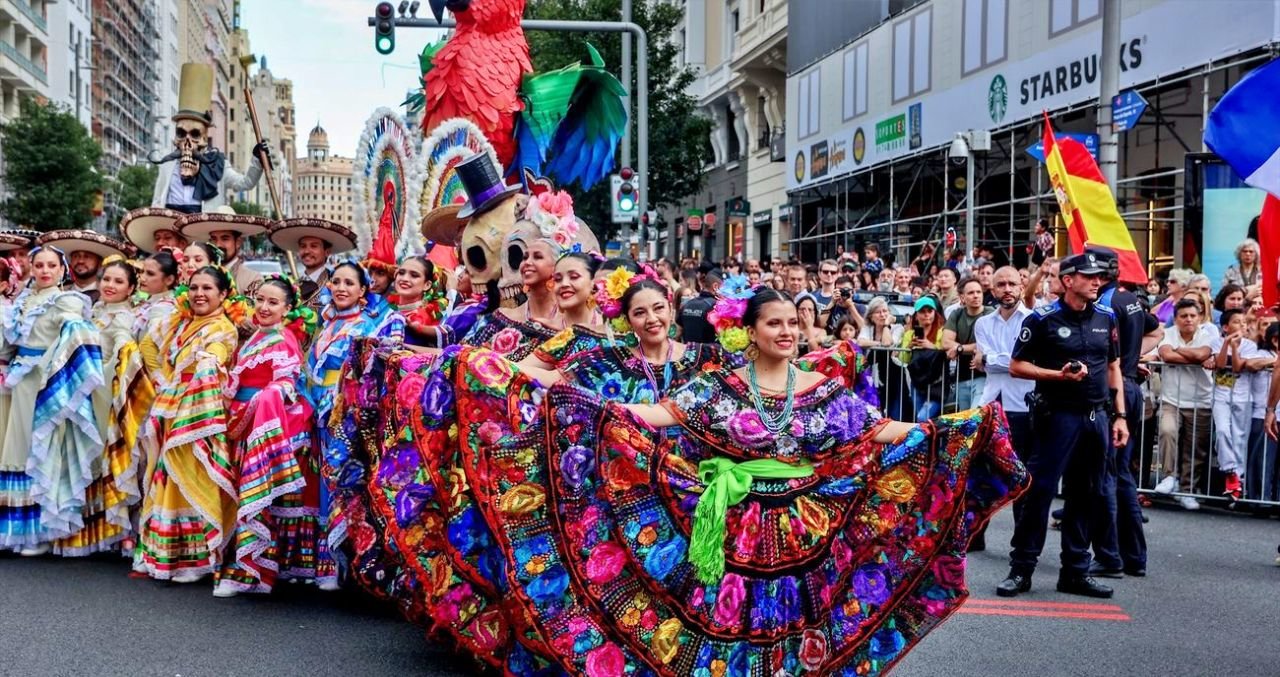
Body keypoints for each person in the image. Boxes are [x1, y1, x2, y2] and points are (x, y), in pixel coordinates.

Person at [1000, 251, 1127, 599]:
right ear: (1068, 281)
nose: (1097, 282)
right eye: (1089, 277)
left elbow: (1113, 366)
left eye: (1100, 277)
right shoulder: (1042, 319)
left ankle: (1075, 571)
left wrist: (1120, 417)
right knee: (1039, 492)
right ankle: (1021, 569)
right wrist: (1057, 375)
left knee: (1088, 494)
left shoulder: (1107, 316)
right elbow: (1017, 366)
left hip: (1097, 417)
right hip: (1057, 417)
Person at [134, 265, 240, 581]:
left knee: (194, 476)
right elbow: (147, 345)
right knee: (165, 477)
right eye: (194, 288)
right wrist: (162, 378)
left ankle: (198, 560)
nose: (199, 294)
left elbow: (217, 354)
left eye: (208, 288)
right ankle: (163, 553)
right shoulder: (180, 323)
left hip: (201, 412)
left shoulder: (222, 328)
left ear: (223, 295)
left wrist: (209, 363)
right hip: (173, 406)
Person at [302, 260, 404, 590]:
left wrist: (340, 403)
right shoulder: (325, 324)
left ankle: (340, 565)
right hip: (318, 413)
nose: (342, 288)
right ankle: (322, 564)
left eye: (350, 283)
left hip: (345, 416)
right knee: (319, 487)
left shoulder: (366, 328)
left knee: (340, 486)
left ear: (364, 291)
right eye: (336, 281)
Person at [214, 276, 318, 597]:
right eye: (260, 300)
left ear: (288, 309)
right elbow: (237, 378)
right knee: (250, 497)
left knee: (258, 498)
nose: (264, 307)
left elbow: (286, 384)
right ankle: (253, 567)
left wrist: (264, 398)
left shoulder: (283, 339)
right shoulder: (255, 337)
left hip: (264, 424)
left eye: (273, 302)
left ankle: (253, 572)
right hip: (245, 423)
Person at [0, 247, 105, 556]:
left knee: (43, 450)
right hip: (19, 383)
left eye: (52, 265)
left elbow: (79, 334)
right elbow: (10, 344)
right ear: (30, 267)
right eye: (39, 265)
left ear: (62, 270)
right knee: (18, 450)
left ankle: (44, 532)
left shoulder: (68, 300)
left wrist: (53, 364)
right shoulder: (22, 301)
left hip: (46, 383)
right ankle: (22, 530)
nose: (45, 270)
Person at [55, 257, 153, 556]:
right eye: (106, 280)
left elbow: (124, 351)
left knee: (102, 459)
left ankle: (114, 530)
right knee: (82, 459)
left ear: (132, 288)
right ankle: (85, 530)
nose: (110, 286)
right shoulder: (93, 310)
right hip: (84, 394)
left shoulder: (125, 317)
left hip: (103, 395)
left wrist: (104, 372)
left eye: (118, 281)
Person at [1087, 248, 1158, 578]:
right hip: (1129, 386)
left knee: (1109, 477)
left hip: (1114, 391)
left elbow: (1103, 355)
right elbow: (1153, 331)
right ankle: (1134, 557)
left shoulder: (1106, 304)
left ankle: (1112, 555)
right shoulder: (1130, 298)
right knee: (1121, 477)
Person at [972, 266, 1034, 553]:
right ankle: (975, 534)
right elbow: (1004, 363)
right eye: (1001, 284)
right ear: (993, 290)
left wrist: (991, 359)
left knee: (1021, 475)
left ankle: (1022, 542)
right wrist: (1001, 361)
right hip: (990, 405)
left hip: (1023, 406)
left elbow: (1017, 364)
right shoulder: (983, 324)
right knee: (981, 473)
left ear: (1021, 286)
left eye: (1012, 283)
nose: (1007, 289)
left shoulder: (1034, 320)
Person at [1152, 299, 1214, 510]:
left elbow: (1203, 354)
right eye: (1183, 316)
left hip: (1201, 400)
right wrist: (1193, 356)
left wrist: (1181, 352)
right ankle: (1169, 476)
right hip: (1172, 399)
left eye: (1192, 316)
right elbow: (1167, 355)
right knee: (1167, 431)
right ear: (1176, 319)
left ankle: (1187, 490)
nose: (1188, 320)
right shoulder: (1168, 333)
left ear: (1199, 317)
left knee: (1195, 449)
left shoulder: (1208, 334)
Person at [1209, 308, 1254, 504]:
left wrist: (1236, 348)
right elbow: (1219, 364)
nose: (1242, 325)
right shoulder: (1216, 342)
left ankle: (1238, 483)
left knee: (1239, 438)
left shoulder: (1251, 346)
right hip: (1221, 395)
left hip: (1243, 397)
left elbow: (1237, 367)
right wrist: (1227, 343)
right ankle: (1230, 472)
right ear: (1226, 327)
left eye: (1244, 322)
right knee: (1222, 432)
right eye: (1237, 322)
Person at [267, 218, 359, 311]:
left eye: (314, 246)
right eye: (303, 246)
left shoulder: (336, 285)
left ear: (327, 252)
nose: (307, 251)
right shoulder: (292, 287)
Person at [176, 206, 271, 295]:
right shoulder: (195, 272)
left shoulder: (252, 279)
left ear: (238, 242)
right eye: (214, 239)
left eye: (225, 239)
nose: (218, 245)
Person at [943, 277, 993, 411]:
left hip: (984, 376)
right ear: (962, 297)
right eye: (971, 293)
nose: (976, 295)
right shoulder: (957, 314)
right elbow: (946, 342)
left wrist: (959, 348)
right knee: (965, 421)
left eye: (978, 292)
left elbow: (988, 343)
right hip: (962, 377)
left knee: (974, 415)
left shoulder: (990, 314)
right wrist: (971, 348)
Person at [899, 294, 946, 421]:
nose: (926, 315)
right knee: (922, 422)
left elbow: (947, 353)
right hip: (917, 383)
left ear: (935, 313)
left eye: (930, 311)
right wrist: (909, 347)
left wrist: (931, 346)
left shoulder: (942, 332)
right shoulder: (909, 334)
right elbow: (903, 359)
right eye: (922, 311)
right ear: (916, 315)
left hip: (937, 384)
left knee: (922, 418)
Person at [136, 250, 181, 348]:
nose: (142, 278)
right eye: (142, 272)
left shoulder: (165, 307)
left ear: (169, 280)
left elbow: (151, 345)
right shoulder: (151, 302)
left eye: (150, 274)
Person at [676, 267, 720, 343]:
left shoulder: (687, 304)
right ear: (715, 287)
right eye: (726, 287)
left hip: (688, 352)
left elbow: (677, 333)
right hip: (708, 352)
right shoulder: (716, 306)